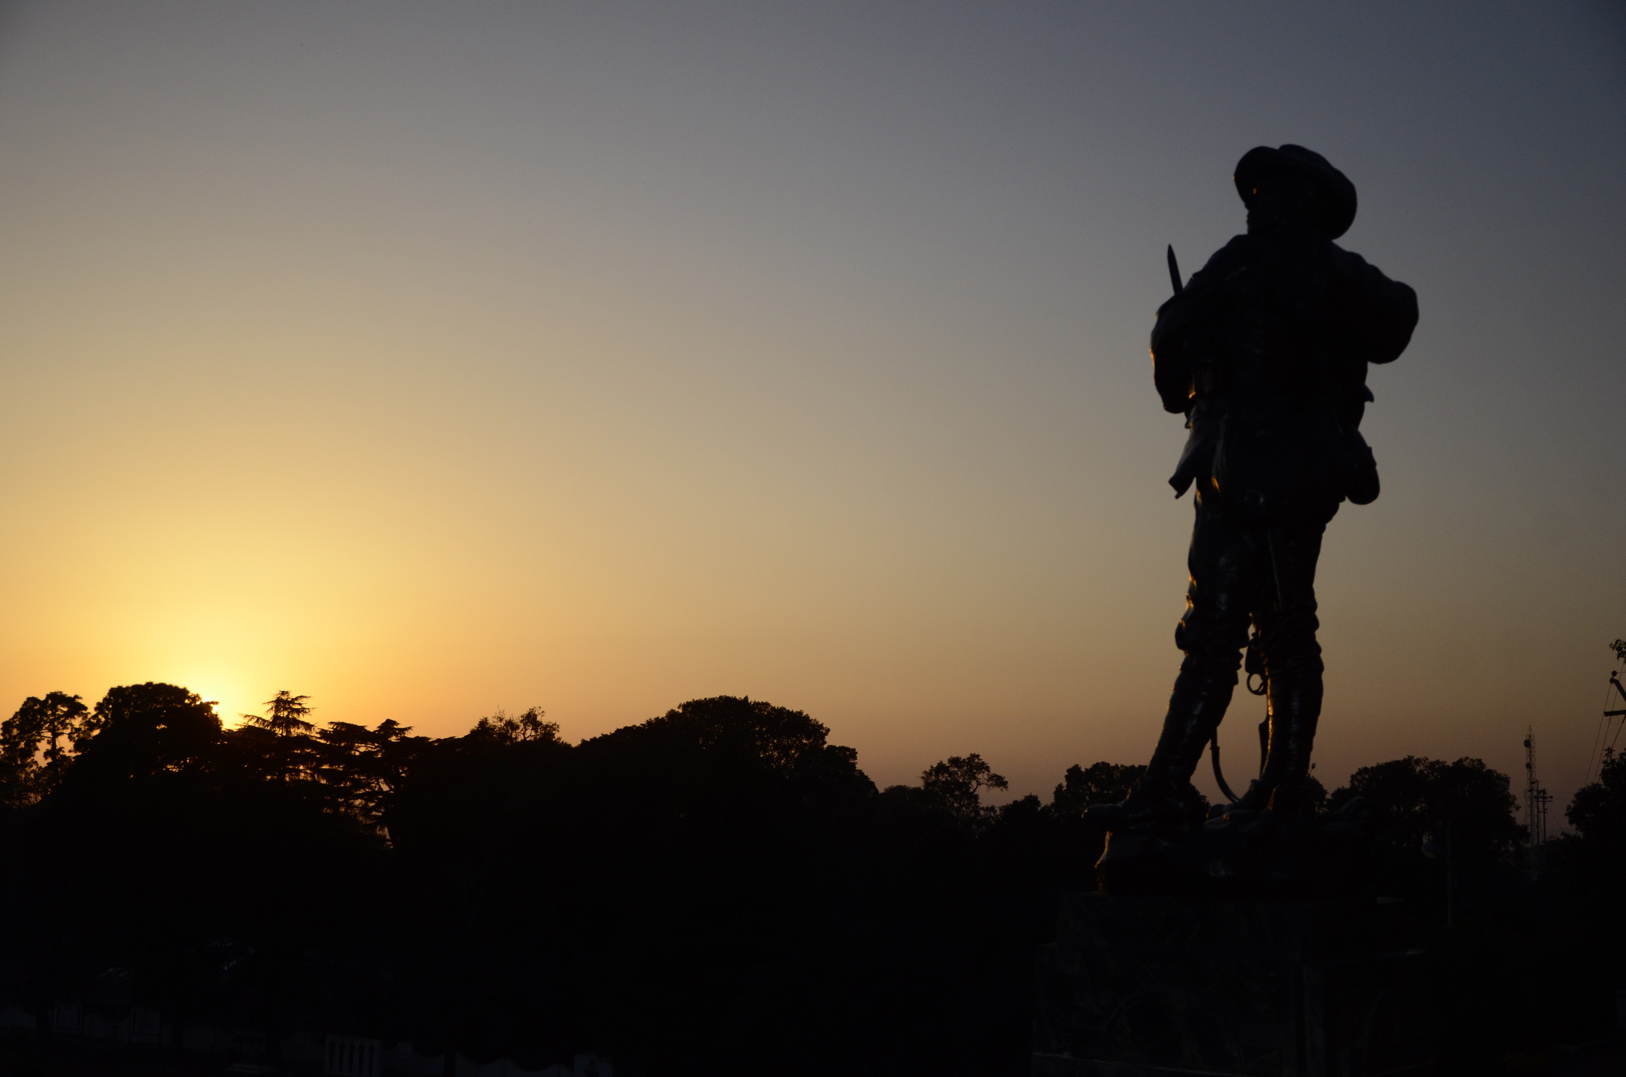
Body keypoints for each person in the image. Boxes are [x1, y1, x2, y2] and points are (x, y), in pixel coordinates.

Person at [1092, 146, 1418, 831]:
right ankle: (1284, 786)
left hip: (1237, 467)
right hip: (1313, 470)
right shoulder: (1341, 273)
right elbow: (1399, 317)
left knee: (1215, 630)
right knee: (1289, 628)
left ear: (1293, 201)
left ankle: (1168, 788)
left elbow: (1168, 341)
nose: (1253, 205)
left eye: (1264, 193)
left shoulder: (1239, 262)